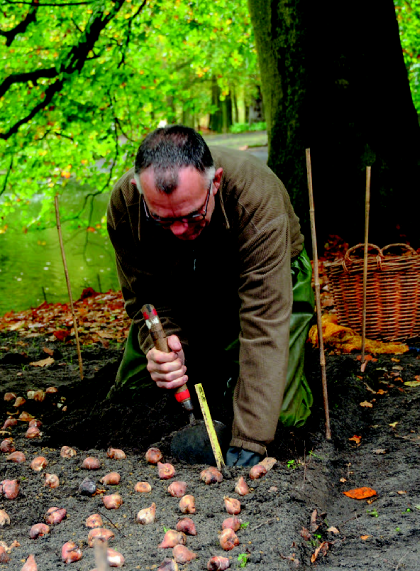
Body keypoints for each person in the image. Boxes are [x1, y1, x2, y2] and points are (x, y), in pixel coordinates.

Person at [106, 125, 314, 466]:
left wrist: (250, 440)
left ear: (215, 183)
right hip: (183, 278)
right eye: (162, 220)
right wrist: (168, 346)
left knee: (280, 416)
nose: (178, 231)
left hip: (266, 283)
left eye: (192, 216)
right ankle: (208, 360)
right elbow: (144, 298)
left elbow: (263, 321)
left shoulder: (257, 199)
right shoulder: (125, 205)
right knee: (134, 393)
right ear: (138, 190)